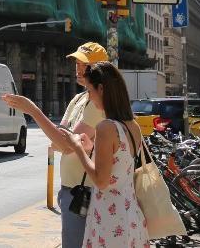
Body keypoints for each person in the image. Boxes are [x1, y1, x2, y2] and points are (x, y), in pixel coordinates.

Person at [8, 62, 150, 248]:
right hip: (130, 214)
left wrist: (78, 149)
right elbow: (119, 163)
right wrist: (91, 147)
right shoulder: (133, 126)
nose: (88, 96)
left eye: (90, 91)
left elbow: (101, 180)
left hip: (109, 217)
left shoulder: (106, 128)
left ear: (101, 88)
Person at [18, 42, 108, 248]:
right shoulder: (78, 98)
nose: (78, 69)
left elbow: (65, 145)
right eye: (76, 63)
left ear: (98, 68)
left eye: (84, 64)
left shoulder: (97, 102)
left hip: (84, 192)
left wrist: (33, 111)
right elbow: (58, 140)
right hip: (70, 190)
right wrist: (64, 139)